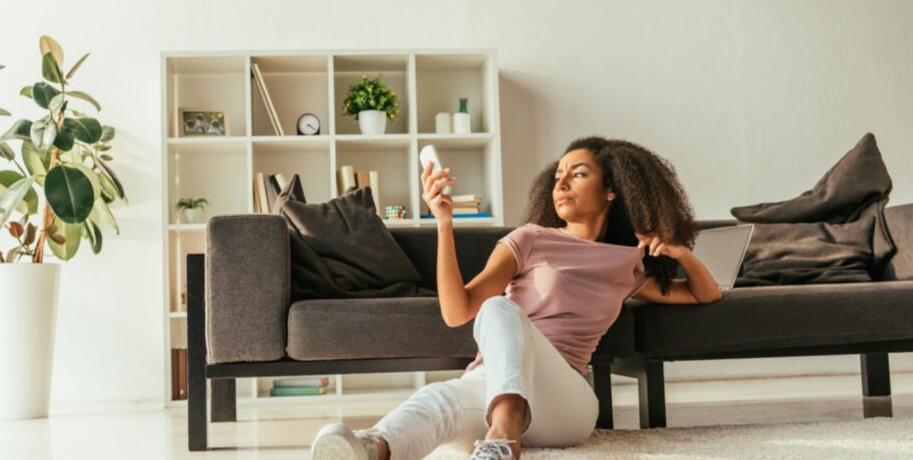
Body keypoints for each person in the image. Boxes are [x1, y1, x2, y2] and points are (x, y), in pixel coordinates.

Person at [310, 136, 723, 460]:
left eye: (577, 174)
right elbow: (458, 313)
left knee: (498, 308)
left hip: (564, 405)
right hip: (496, 384)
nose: (560, 183)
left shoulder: (626, 263)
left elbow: (704, 295)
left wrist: (682, 253)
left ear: (613, 189)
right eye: (558, 174)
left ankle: (504, 437)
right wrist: (444, 223)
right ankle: (371, 449)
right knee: (440, 398)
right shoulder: (529, 239)